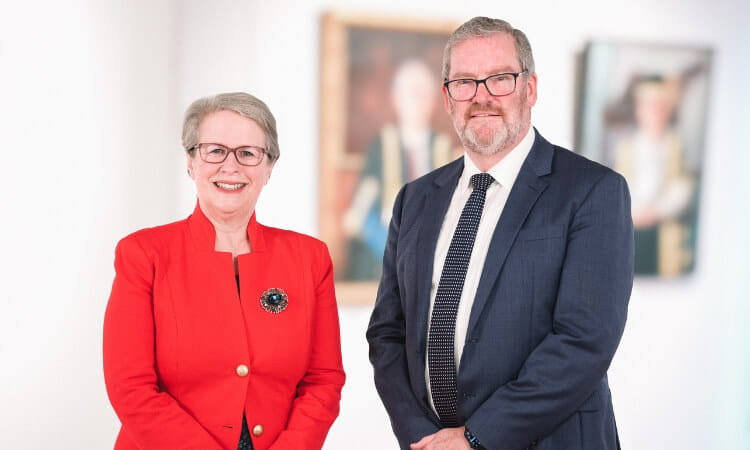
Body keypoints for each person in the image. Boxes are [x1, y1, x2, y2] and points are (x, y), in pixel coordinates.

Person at [367, 17, 633, 450]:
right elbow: (386, 334)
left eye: (500, 79)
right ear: (447, 98)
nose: (481, 97)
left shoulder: (592, 192)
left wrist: (475, 438)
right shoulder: (414, 199)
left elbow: (584, 341)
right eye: (465, 83)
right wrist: (423, 436)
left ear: (530, 89)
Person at [103, 92, 345, 450]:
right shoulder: (144, 254)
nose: (231, 166)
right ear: (190, 161)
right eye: (215, 151)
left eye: (248, 153)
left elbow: (323, 381)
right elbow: (130, 389)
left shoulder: (309, 257)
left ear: (269, 168)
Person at [342, 59, 454, 280]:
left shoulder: (444, 149)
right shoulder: (381, 147)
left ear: (433, 101)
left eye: (423, 94)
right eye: (410, 94)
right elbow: (363, 213)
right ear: (396, 100)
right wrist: (395, 252)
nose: (417, 102)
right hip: (387, 254)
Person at [610, 74, 696, 276]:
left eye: (659, 106)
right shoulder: (627, 146)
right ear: (639, 109)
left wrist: (657, 211)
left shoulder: (678, 146)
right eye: (648, 106)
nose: (654, 112)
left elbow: (684, 187)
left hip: (663, 230)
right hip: (631, 226)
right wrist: (633, 212)